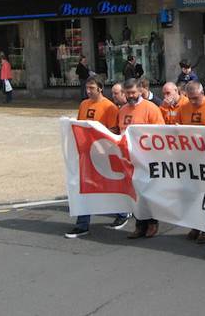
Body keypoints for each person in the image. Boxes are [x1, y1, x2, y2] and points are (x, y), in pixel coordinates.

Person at [65, 77, 126, 238]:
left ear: (100, 88)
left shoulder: (109, 107)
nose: (88, 91)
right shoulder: (83, 104)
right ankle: (82, 224)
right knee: (86, 187)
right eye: (87, 88)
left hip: (102, 154)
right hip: (86, 153)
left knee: (107, 186)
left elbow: (113, 131)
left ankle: (122, 212)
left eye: (92, 87)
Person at [119, 78, 165, 239]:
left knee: (148, 192)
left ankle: (152, 223)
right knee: (135, 193)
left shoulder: (151, 108)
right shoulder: (123, 110)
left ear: (140, 91)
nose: (130, 95)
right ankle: (139, 224)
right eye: (127, 93)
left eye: (133, 92)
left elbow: (160, 133)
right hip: (129, 159)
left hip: (147, 159)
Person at [177, 81, 205, 244]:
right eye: (190, 98)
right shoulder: (184, 108)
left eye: (196, 98)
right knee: (193, 193)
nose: (193, 102)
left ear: (203, 93)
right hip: (191, 158)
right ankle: (196, 224)